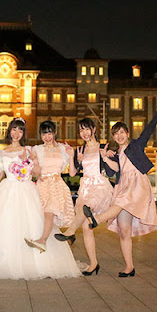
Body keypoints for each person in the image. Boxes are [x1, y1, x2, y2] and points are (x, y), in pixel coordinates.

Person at [56, 100, 157, 277]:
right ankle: (129, 267)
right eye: (116, 134)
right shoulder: (115, 152)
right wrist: (101, 158)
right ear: (113, 137)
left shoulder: (135, 146)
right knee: (124, 230)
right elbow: (113, 172)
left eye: (122, 132)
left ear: (128, 133)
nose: (120, 136)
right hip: (122, 187)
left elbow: (149, 129)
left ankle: (96, 219)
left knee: (120, 203)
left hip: (136, 185)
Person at [0, 118, 81, 279]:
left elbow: (37, 171)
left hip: (27, 189)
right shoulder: (2, 152)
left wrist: (27, 161)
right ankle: (6, 261)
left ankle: (38, 253)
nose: (16, 133)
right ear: (9, 131)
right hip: (7, 190)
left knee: (33, 222)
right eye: (14, 130)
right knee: (7, 225)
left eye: (20, 130)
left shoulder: (29, 150)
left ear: (23, 133)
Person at [57, 118, 113, 276]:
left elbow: (112, 168)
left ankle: (69, 232)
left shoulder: (104, 146)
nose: (84, 133)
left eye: (87, 129)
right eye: (81, 130)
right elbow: (73, 173)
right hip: (85, 187)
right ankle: (94, 263)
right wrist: (73, 157)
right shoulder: (80, 149)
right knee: (87, 227)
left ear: (94, 129)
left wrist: (107, 156)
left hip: (100, 185)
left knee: (85, 208)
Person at [25, 120, 75, 253]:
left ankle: (42, 240)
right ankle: (53, 251)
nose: (47, 137)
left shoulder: (64, 149)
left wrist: (72, 156)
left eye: (49, 133)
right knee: (44, 218)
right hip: (42, 185)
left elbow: (71, 172)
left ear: (54, 133)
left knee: (49, 212)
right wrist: (34, 161)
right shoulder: (37, 149)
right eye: (44, 134)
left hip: (57, 185)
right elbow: (35, 172)